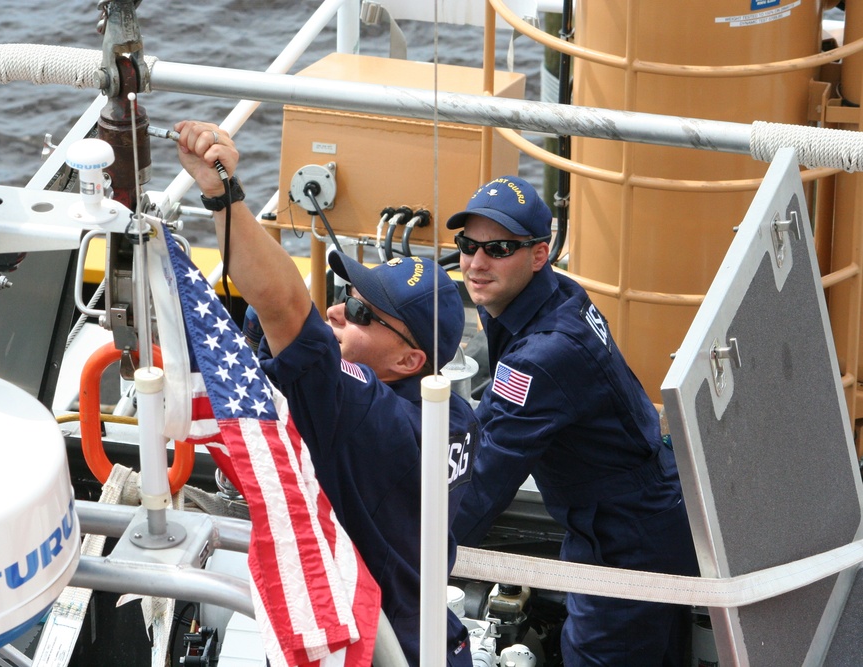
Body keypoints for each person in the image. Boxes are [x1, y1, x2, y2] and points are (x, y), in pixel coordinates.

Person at [174, 119, 478, 666]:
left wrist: (224, 196)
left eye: (362, 312)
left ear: (410, 359)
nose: (337, 309)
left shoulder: (370, 418)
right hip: (429, 633)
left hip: (365, 642)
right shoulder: (454, 414)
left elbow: (289, 311)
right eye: (346, 293)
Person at [446, 175, 700, 666]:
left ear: (539, 254)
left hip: (623, 539)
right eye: (467, 245)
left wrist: (415, 552)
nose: (477, 263)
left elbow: (487, 480)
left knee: (593, 655)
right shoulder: (556, 293)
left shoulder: (543, 354)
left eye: (498, 248)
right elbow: (501, 413)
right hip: (649, 511)